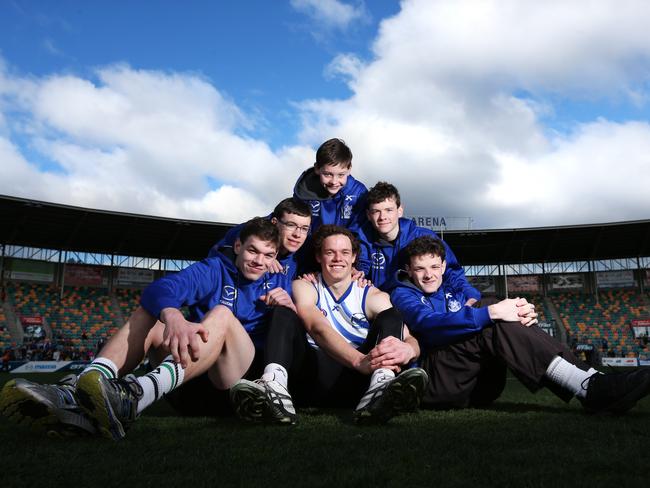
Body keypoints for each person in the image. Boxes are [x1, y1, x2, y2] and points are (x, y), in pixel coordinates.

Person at [0, 218, 296, 440]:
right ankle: (81, 389)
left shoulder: (281, 280)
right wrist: (173, 315)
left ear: (275, 258)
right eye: (253, 251)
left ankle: (135, 395)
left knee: (221, 313)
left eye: (268, 255)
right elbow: (161, 289)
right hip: (185, 387)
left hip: (233, 385)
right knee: (153, 312)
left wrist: (287, 302)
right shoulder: (213, 269)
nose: (259, 260)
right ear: (238, 246)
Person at [390, 235, 650, 412]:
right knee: (490, 311)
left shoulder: (454, 290)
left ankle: (591, 380)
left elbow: (478, 302)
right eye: (420, 268)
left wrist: (523, 312)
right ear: (409, 270)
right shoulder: (402, 293)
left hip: (477, 385)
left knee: (497, 309)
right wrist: (492, 312)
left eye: (434, 266)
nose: (428, 274)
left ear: (445, 265)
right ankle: (590, 387)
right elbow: (428, 324)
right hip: (434, 382)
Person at [230, 225, 428, 424]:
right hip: (313, 376)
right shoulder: (305, 286)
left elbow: (407, 336)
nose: (337, 259)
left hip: (358, 382)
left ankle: (381, 386)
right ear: (318, 257)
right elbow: (317, 327)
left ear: (353, 257)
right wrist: (359, 361)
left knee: (390, 315)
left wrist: (410, 350)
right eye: (330, 252)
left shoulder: (371, 294)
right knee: (283, 312)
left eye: (344, 253)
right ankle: (275, 390)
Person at [357, 181, 480, 302]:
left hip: (421, 305)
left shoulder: (424, 237)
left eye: (389, 210)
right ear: (368, 215)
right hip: (383, 307)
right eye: (376, 211)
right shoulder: (363, 242)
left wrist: (470, 295)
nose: (382, 217)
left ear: (400, 210)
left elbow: (451, 271)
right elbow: (359, 274)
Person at [209, 197, 311, 279]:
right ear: (274, 222)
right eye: (291, 225)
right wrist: (266, 258)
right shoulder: (248, 232)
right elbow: (216, 256)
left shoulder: (304, 252)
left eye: (304, 228)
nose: (297, 234)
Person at [293, 138, 367, 233]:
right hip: (312, 247)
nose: (334, 181)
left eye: (341, 175)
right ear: (317, 169)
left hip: (348, 247)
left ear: (349, 169)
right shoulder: (304, 192)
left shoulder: (359, 193)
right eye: (327, 174)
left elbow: (362, 231)